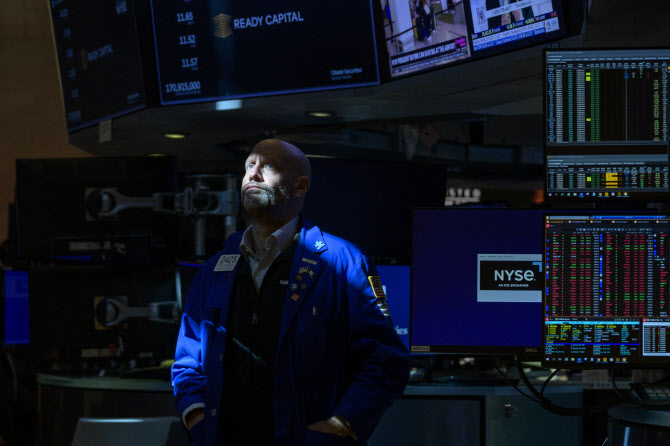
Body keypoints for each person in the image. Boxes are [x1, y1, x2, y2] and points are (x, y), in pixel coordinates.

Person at [172, 139, 410, 446]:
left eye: (268, 166)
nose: (253, 174)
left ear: (300, 186)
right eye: (249, 166)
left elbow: (386, 360)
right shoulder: (216, 269)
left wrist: (344, 423)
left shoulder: (345, 263)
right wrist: (196, 415)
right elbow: (188, 359)